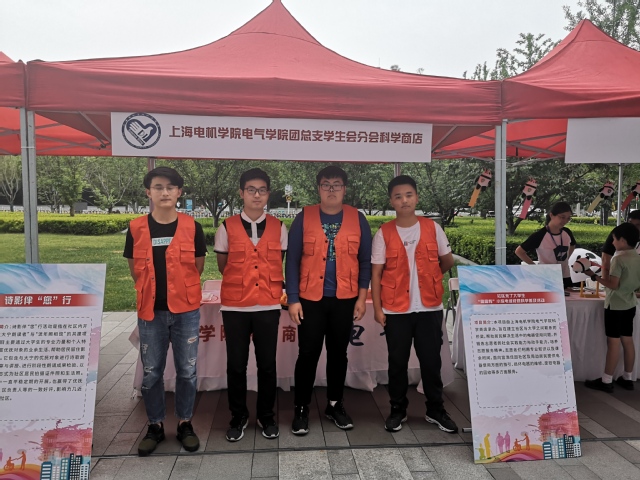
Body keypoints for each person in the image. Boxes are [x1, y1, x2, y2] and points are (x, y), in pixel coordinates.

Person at [123, 167, 207, 456]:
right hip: (151, 313)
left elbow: (197, 267)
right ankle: (155, 425)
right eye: (158, 187)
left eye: (171, 187)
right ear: (149, 192)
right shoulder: (136, 228)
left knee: (187, 371)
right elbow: (135, 270)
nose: (165, 192)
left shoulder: (192, 227)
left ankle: (185, 423)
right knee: (151, 372)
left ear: (179, 192)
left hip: (186, 311)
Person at [286, 165, 372, 435]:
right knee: (307, 354)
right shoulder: (304, 217)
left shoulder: (358, 218)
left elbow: (365, 262)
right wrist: (293, 299)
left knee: (338, 354)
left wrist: (362, 298)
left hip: (345, 299)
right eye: (326, 184)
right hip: (310, 300)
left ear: (344, 189)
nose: (331, 189)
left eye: (336, 184)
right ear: (319, 189)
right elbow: (292, 261)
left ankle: (335, 404)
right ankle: (301, 407)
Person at [371, 175, 458, 434]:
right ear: (391, 201)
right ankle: (397, 410)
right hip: (396, 310)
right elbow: (376, 273)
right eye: (398, 196)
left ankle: (436, 410)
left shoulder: (433, 228)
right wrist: (377, 309)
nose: (404, 200)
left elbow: (447, 261)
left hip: (429, 309)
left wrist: (429, 278)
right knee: (397, 362)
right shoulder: (384, 233)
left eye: (409, 195)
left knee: (431, 362)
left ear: (417, 197)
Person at [214, 168, 288, 442]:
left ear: (268, 194)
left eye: (262, 190)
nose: (257, 195)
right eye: (251, 190)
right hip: (235, 307)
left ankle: (266, 416)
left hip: (268, 305)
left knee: (267, 365)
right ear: (241, 193)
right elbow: (223, 266)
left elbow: (278, 261)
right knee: (236, 365)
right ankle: (238, 416)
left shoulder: (280, 227)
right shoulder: (226, 227)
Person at [585, 223, 640, 392]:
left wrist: (593, 276)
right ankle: (627, 378)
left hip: (615, 305)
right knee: (627, 340)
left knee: (613, 342)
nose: (613, 242)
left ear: (622, 240)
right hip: (630, 303)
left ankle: (606, 380)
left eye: (614, 239)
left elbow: (613, 285)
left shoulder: (618, 259)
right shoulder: (637, 257)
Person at [515, 201, 576, 288]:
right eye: (562, 217)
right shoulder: (540, 235)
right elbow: (519, 251)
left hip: (565, 276)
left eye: (568, 218)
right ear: (551, 215)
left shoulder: (567, 232)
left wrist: (566, 258)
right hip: (546, 277)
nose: (565, 221)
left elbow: (573, 245)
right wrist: (535, 267)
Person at [601, 210, 640, 278]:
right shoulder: (618, 233)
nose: (632, 228)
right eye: (630, 224)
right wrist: (606, 279)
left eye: (637, 225)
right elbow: (605, 258)